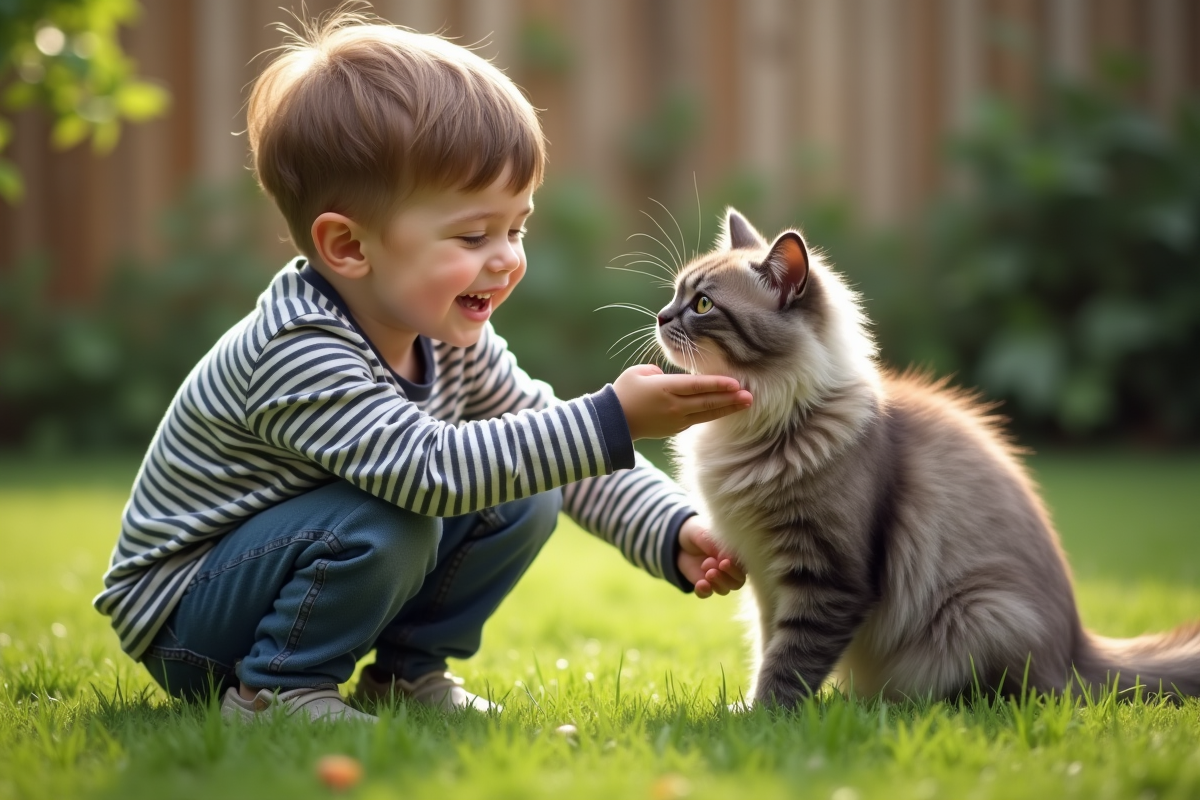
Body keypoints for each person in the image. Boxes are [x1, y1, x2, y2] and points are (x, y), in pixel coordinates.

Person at [93, 8, 751, 723]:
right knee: (401, 515)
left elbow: (552, 447)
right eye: (472, 235)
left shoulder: (445, 336)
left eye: (517, 227)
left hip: (275, 575)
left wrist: (671, 527)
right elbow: (425, 471)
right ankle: (275, 692)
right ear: (349, 247)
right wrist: (610, 420)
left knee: (528, 488)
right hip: (189, 617)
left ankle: (406, 676)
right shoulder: (297, 349)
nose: (506, 258)